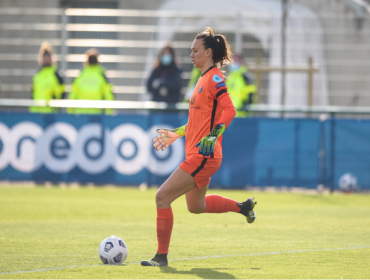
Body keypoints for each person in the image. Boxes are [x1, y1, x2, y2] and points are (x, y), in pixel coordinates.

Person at [141, 27, 257, 267]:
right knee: (196, 206)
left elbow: (230, 110)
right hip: (200, 154)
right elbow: (198, 121)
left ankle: (161, 257)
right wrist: (177, 133)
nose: (191, 55)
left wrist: (214, 135)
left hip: (203, 155)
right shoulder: (202, 79)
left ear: (209, 52)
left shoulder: (214, 78)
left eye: (195, 51)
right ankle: (242, 207)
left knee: (162, 197)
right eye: (191, 50)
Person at [68, 48, 114, 114]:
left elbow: (72, 95)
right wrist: (108, 114)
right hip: (97, 114)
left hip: (80, 113)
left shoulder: (80, 74)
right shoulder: (102, 74)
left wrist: (70, 113)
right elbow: (109, 96)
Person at [30, 42, 65, 113]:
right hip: (36, 112)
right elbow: (32, 94)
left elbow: (61, 94)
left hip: (50, 112)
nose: (46, 59)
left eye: (47, 57)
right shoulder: (37, 75)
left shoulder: (56, 75)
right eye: (44, 57)